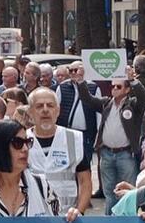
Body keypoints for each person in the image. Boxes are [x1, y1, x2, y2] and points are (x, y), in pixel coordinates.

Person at [21, 86, 93, 215]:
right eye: (39, 106)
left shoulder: (74, 138)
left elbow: (85, 181)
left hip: (67, 216)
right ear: (30, 112)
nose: (45, 110)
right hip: (31, 216)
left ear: (58, 110)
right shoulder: (20, 140)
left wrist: (79, 211)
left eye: (50, 105)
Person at [95, 75, 145, 201]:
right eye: (112, 86)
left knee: (128, 192)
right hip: (106, 153)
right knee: (109, 193)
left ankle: (126, 220)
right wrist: (80, 82)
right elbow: (88, 100)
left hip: (125, 154)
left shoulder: (132, 104)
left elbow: (144, 100)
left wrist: (133, 81)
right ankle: (109, 219)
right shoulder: (106, 103)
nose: (114, 89)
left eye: (118, 86)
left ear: (127, 89)